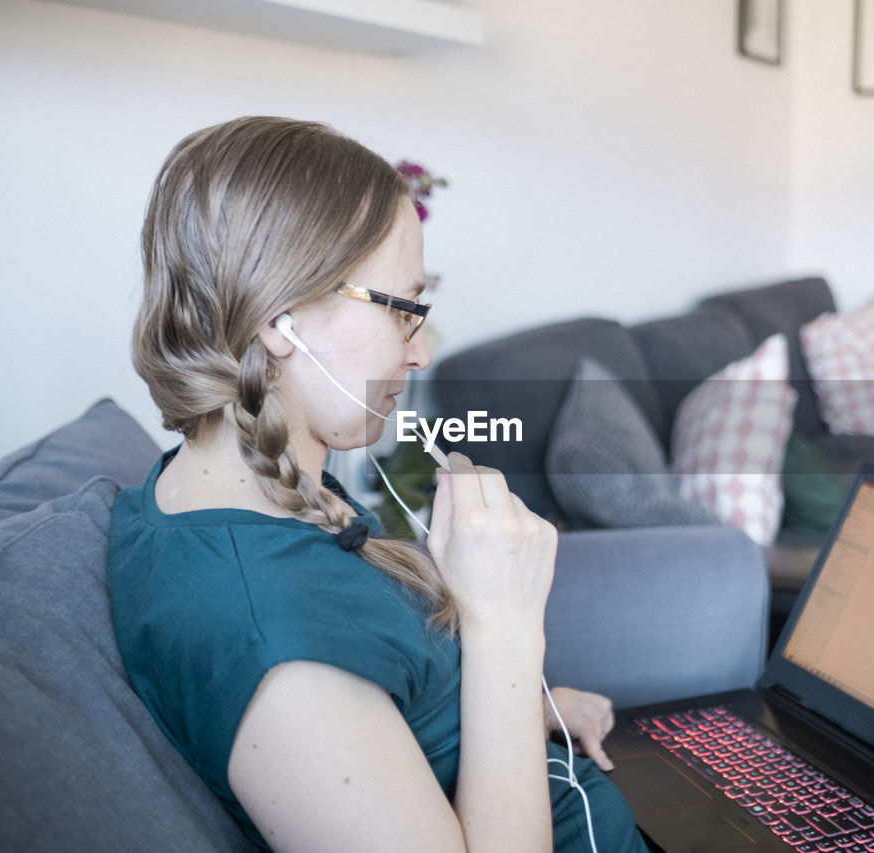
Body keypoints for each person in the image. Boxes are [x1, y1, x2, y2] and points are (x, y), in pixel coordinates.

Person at [107, 116, 650, 852]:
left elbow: (391, 718)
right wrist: (507, 627)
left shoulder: (249, 491)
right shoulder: (271, 638)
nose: (420, 351)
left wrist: (523, 712)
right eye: (405, 309)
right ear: (280, 318)